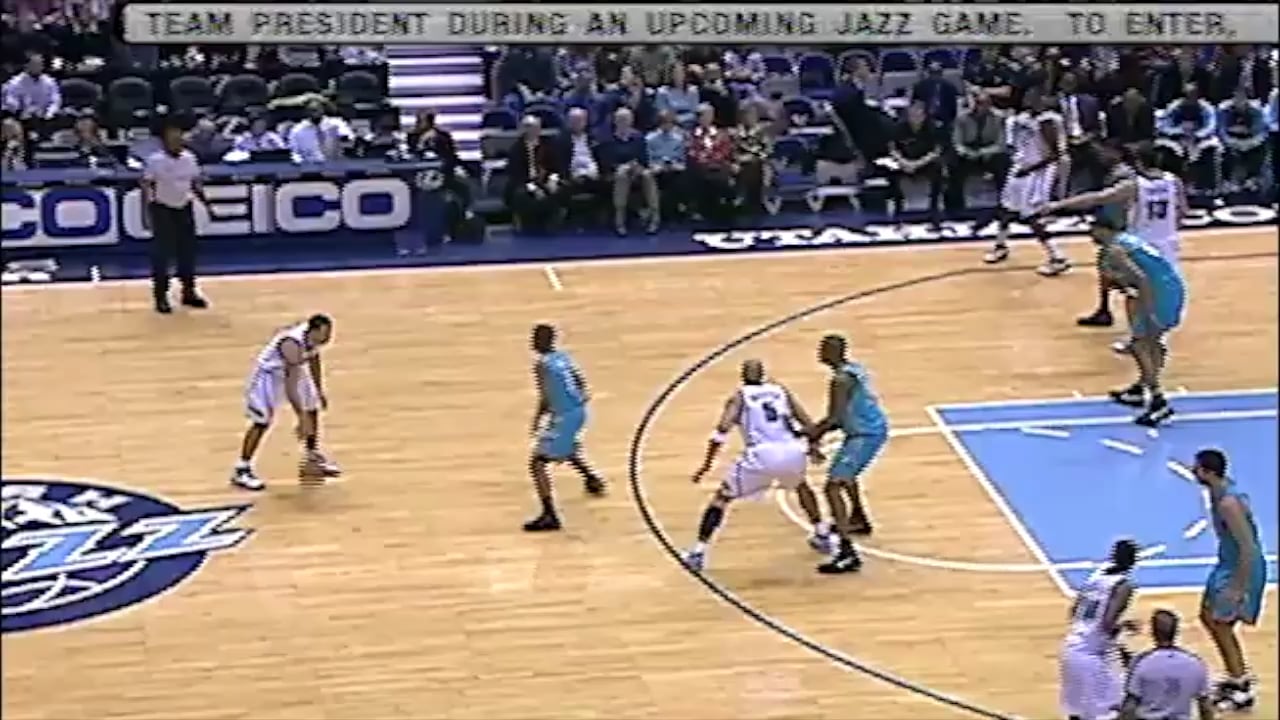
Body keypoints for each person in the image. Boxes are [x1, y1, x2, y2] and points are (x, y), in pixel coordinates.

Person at [682, 360, 831, 572]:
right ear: (763, 375)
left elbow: (721, 430)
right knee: (802, 487)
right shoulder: (780, 391)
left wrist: (706, 465)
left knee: (721, 498)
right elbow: (808, 423)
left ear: (743, 376)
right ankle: (822, 534)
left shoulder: (740, 396)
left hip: (762, 455)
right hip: (792, 450)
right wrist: (814, 447)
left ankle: (698, 552)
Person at [1038, 144, 1182, 353]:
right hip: (1167, 244)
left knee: (1135, 292)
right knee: (1156, 291)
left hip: (1140, 245)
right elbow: (1181, 210)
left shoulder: (1133, 185)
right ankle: (1153, 336)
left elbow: (1098, 198)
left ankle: (1139, 338)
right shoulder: (1173, 181)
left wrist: (1058, 205)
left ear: (1138, 162)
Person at [1084, 214, 1185, 427]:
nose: (1090, 234)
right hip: (1167, 286)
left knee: (1141, 344)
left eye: (1093, 229)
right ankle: (1141, 388)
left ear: (1104, 229)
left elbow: (1141, 279)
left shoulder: (1115, 250)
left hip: (1158, 292)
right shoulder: (1127, 241)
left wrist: (1148, 311)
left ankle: (1158, 400)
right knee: (1152, 342)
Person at [807, 334, 888, 575]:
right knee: (846, 476)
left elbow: (835, 418)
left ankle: (847, 553)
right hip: (864, 429)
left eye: (824, 349)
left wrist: (811, 434)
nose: (819, 352)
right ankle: (858, 519)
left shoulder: (841, 380)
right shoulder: (853, 369)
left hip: (865, 434)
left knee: (833, 486)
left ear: (834, 352)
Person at [1193, 448, 1267, 712]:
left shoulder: (1228, 504)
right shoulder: (1217, 491)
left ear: (1208, 472)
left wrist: (1238, 587)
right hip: (1227, 562)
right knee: (1207, 615)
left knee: (1221, 623)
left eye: (1197, 467)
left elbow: (1248, 547)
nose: (1193, 471)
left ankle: (1241, 686)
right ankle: (1236, 675)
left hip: (1241, 566)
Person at [232, 314, 340, 491]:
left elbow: (314, 359)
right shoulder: (291, 344)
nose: (327, 338)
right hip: (269, 377)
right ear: (313, 331)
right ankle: (241, 469)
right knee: (261, 422)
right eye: (324, 334)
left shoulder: (313, 339)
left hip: (292, 371)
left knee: (312, 406)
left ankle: (312, 458)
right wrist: (301, 417)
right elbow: (291, 385)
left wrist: (318, 389)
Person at [983, 85, 1071, 277]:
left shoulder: (1048, 121)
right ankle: (1000, 246)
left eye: (1034, 97)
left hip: (1037, 174)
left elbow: (1055, 154)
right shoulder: (1022, 118)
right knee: (1006, 209)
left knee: (1032, 217)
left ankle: (1058, 257)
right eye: (1028, 96)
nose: (1029, 100)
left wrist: (1029, 169)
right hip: (1021, 169)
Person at [524, 323, 605, 532]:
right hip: (579, 412)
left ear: (543, 341)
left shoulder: (542, 365)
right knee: (565, 448)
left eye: (536, 338)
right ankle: (592, 479)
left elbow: (545, 396)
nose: (533, 342)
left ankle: (550, 515)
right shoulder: (564, 357)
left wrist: (538, 418)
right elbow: (581, 383)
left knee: (538, 463)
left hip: (564, 417)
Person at [1060, 539, 1138, 720]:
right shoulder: (1123, 586)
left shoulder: (1096, 576)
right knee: (1111, 710)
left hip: (1071, 648)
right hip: (1091, 657)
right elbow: (1107, 623)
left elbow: (1074, 611)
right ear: (1133, 561)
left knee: (1076, 712)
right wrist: (1124, 626)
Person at [142, 118, 208, 314]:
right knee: (162, 254)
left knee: (187, 252)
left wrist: (206, 203)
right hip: (162, 207)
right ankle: (161, 296)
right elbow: (146, 185)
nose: (177, 140)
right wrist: (146, 212)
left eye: (179, 137)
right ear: (164, 141)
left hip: (184, 206)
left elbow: (195, 183)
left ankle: (188, 291)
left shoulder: (190, 158)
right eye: (172, 137)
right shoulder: (155, 160)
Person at [1120, 609, 1214, 720]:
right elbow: (1205, 707)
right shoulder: (1195, 663)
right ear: (1176, 631)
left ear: (1153, 632)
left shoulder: (1141, 662)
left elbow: (1129, 707)